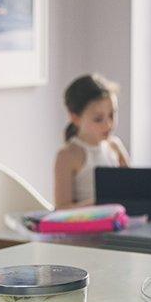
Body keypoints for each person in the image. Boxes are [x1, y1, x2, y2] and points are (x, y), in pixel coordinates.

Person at [54, 74, 130, 209]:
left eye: (112, 114)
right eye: (98, 119)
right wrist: (100, 203)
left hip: (116, 224)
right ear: (75, 118)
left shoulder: (115, 146)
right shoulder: (67, 156)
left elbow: (134, 187)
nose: (108, 124)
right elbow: (61, 208)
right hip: (85, 227)